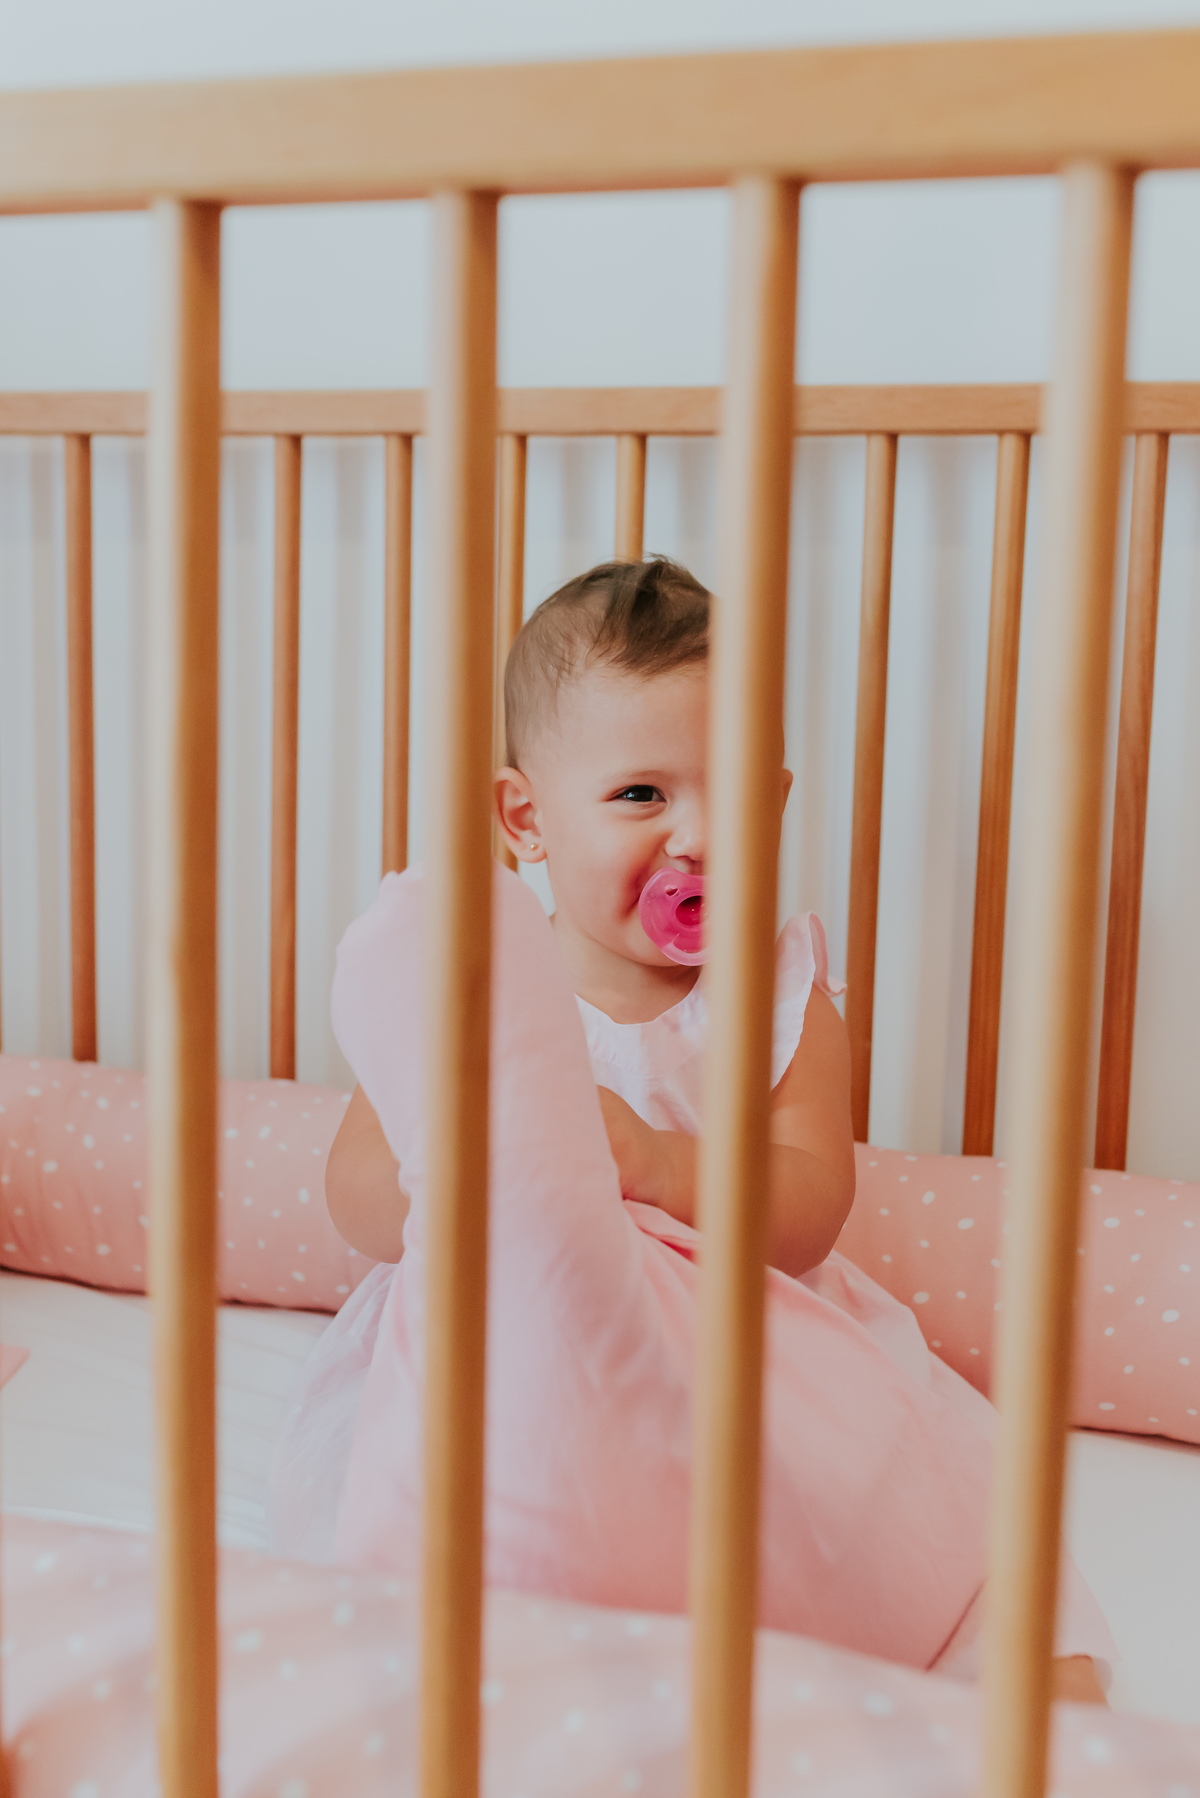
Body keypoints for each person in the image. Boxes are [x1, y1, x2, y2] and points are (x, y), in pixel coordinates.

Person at [270, 557, 1110, 1700]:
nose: (696, 839)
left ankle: (996, 1697)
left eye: (729, 795)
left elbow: (812, 1202)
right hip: (511, 1331)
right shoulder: (483, 984)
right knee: (427, 1496)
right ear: (526, 819)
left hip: (733, 1334)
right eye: (641, 796)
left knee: (925, 1491)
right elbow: (359, 1193)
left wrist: (660, 1163)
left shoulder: (778, 991)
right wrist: (486, 1166)